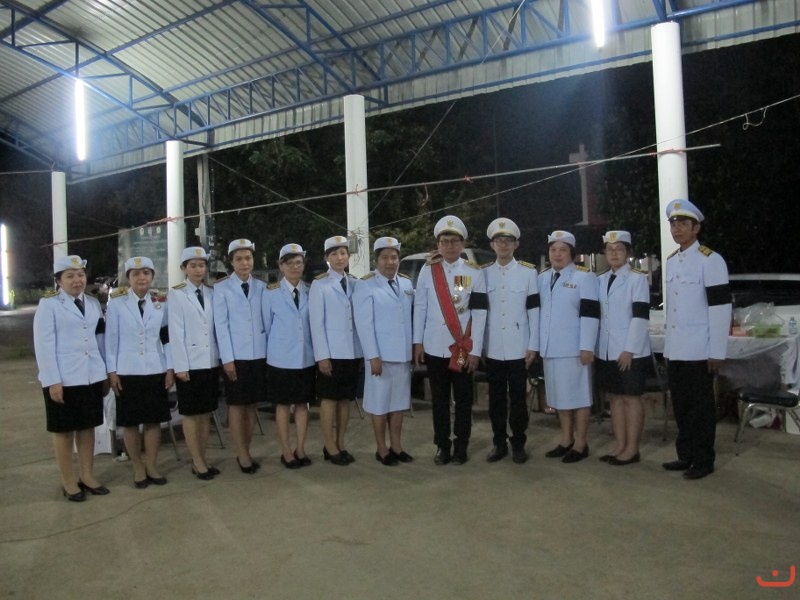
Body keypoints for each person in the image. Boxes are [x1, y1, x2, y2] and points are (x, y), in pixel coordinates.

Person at [662, 199, 731, 480]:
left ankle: (703, 460)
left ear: (696, 228)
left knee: (700, 409)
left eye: (683, 224)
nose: (677, 229)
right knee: (681, 406)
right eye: (673, 224)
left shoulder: (710, 260)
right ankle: (686, 455)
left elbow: (720, 308)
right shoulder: (671, 261)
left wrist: (717, 350)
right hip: (676, 348)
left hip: (700, 349)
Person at [33, 255, 110, 502]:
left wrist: (105, 373)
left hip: (91, 376)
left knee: (87, 428)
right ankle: (68, 480)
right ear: (58, 280)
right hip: (63, 379)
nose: (77, 280)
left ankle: (87, 475)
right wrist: (52, 381)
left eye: (80, 275)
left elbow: (100, 341)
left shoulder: (93, 303)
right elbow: (43, 346)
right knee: (63, 431)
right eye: (70, 276)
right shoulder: (49, 305)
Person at [413, 215, 487, 465]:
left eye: (455, 241)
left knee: (464, 400)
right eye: (444, 241)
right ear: (438, 244)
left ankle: (461, 445)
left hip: (462, 347)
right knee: (439, 400)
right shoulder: (428, 270)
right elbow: (420, 308)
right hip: (435, 346)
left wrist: (475, 350)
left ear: (462, 243)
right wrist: (418, 342)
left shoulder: (474, 272)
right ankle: (442, 446)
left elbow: (480, 313)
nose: (450, 246)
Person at [105, 256, 173, 488]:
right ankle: (137, 466)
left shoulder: (161, 301)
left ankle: (152, 465)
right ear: (129, 278)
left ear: (152, 276)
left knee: (154, 421)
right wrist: (112, 371)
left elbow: (166, 337)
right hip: (127, 370)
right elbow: (111, 340)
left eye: (146, 273)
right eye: (136, 274)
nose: (141, 277)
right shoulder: (117, 303)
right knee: (131, 423)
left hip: (155, 368)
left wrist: (170, 367)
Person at [538, 230, 600, 463]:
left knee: (579, 397)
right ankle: (566, 439)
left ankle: (581, 443)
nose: (557, 254)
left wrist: (587, 346)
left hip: (574, 349)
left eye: (563, 250)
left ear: (571, 253)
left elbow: (590, 314)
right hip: (550, 348)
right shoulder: (542, 278)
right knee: (559, 397)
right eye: (553, 250)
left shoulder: (584, 277)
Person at [353, 237, 415, 466]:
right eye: (385, 258)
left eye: (394, 257)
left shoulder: (406, 284)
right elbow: (364, 324)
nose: (390, 262)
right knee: (379, 404)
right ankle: (381, 448)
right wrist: (373, 356)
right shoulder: (366, 285)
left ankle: (396, 446)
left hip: (402, 355)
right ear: (377, 260)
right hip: (380, 356)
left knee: (398, 403)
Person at [482, 218, 539, 464]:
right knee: (496, 400)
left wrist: (533, 345)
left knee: (518, 399)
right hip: (493, 347)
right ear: (492, 245)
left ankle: (518, 443)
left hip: (519, 347)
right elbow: (479, 313)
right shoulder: (483, 273)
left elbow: (534, 312)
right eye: (498, 241)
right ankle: (499, 443)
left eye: (508, 241)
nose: (503, 245)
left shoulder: (528, 273)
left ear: (516, 244)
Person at [595, 232, 651, 466]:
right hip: (606, 349)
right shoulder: (600, 279)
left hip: (630, 351)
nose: (614, 253)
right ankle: (619, 445)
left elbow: (640, 317)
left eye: (619, 249)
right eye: (610, 249)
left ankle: (632, 449)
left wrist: (630, 349)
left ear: (628, 253)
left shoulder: (637, 279)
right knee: (615, 398)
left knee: (631, 398)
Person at [213, 239, 266, 474]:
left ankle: (247, 449)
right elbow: (221, 326)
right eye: (239, 259)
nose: (245, 263)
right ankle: (241, 453)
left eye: (248, 258)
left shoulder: (262, 287)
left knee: (252, 405)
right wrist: (227, 359)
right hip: (235, 357)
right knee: (236, 405)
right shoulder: (222, 288)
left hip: (259, 355)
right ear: (231, 262)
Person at [309, 235, 362, 466]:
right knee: (329, 400)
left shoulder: (355, 282)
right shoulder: (320, 284)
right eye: (334, 254)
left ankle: (340, 442)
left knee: (345, 400)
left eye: (343, 253)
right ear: (326, 258)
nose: (340, 258)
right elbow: (316, 324)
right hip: (331, 353)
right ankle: (329, 445)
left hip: (352, 352)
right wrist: (322, 356)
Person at [169, 246, 221, 480]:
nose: (198, 270)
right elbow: (175, 332)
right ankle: (197, 461)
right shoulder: (177, 294)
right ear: (184, 268)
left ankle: (202, 457)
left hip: (210, 361)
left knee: (205, 412)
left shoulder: (211, 292)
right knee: (191, 414)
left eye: (201, 265)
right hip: (189, 364)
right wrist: (180, 366)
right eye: (193, 266)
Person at [262, 243, 316, 469]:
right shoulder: (270, 292)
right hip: (281, 359)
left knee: (303, 405)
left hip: (305, 357)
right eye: (290, 263)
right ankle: (286, 451)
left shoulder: (311, 290)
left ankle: (300, 448)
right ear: (281, 266)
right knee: (283, 406)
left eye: (299, 263)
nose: (295, 267)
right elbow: (267, 326)